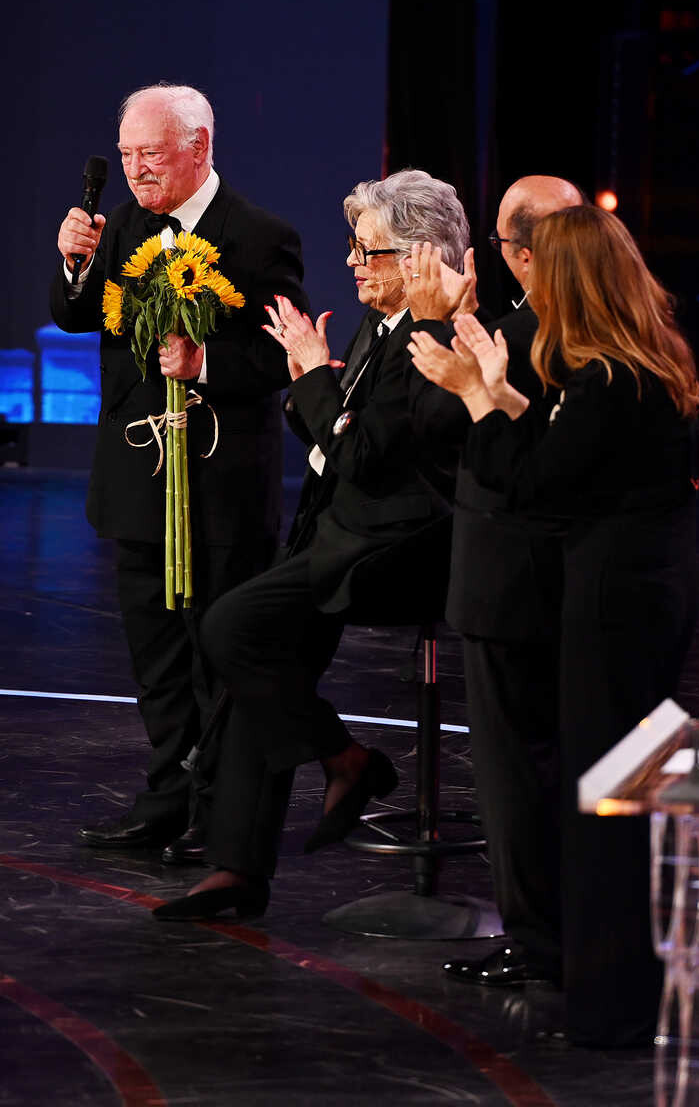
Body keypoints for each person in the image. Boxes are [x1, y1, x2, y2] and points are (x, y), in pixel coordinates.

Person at [407, 203, 699, 1047]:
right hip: (642, 598)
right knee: (616, 789)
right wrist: (501, 392)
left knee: (605, 797)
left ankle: (615, 999)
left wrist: (473, 394)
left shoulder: (610, 381)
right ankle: (614, 979)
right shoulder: (640, 364)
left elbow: (526, 478)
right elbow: (554, 451)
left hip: (617, 611)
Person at [152, 169, 467, 922]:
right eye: (354, 248)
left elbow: (362, 452)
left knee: (235, 627)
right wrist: (317, 390)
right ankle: (239, 869)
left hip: (400, 548)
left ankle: (346, 759)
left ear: (419, 259)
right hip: (343, 528)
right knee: (258, 665)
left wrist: (314, 385)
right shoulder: (379, 324)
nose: (354, 263)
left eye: (371, 251)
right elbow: (336, 443)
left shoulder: (433, 332)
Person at [52, 84, 305, 862]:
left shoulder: (262, 237)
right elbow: (76, 316)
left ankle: (218, 813)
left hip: (221, 486)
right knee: (157, 659)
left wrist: (205, 364)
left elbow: (281, 356)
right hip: (137, 481)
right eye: (125, 155)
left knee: (216, 657)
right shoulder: (121, 223)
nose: (134, 170)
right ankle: (165, 798)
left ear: (199, 146)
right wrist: (72, 266)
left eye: (150, 154)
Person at [405, 176, 591, 992]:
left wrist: (440, 325)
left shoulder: (526, 331)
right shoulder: (598, 329)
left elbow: (435, 424)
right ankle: (558, 932)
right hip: (558, 583)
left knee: (517, 774)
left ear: (517, 254)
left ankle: (538, 937)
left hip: (509, 581)